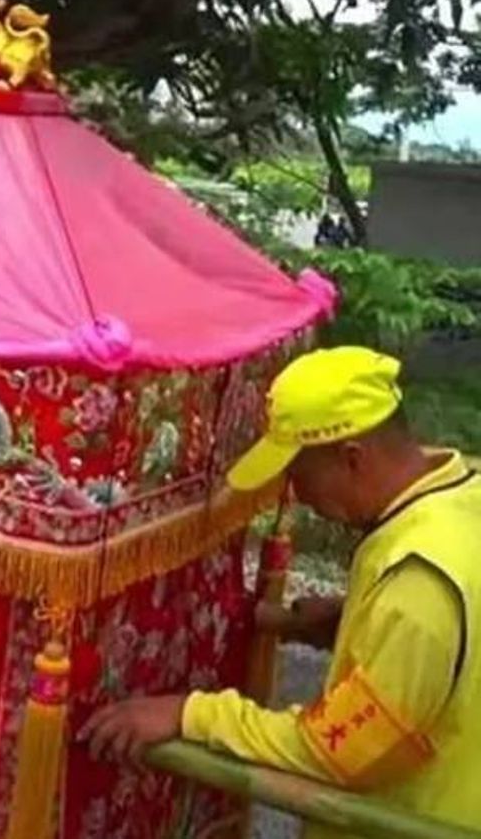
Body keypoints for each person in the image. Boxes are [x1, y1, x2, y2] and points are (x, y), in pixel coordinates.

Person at [81, 347, 481, 836]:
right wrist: (347, 623)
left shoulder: (416, 585)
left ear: (351, 457)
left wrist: (192, 713)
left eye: (298, 472)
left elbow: (337, 751)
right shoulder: (462, 497)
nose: (296, 494)